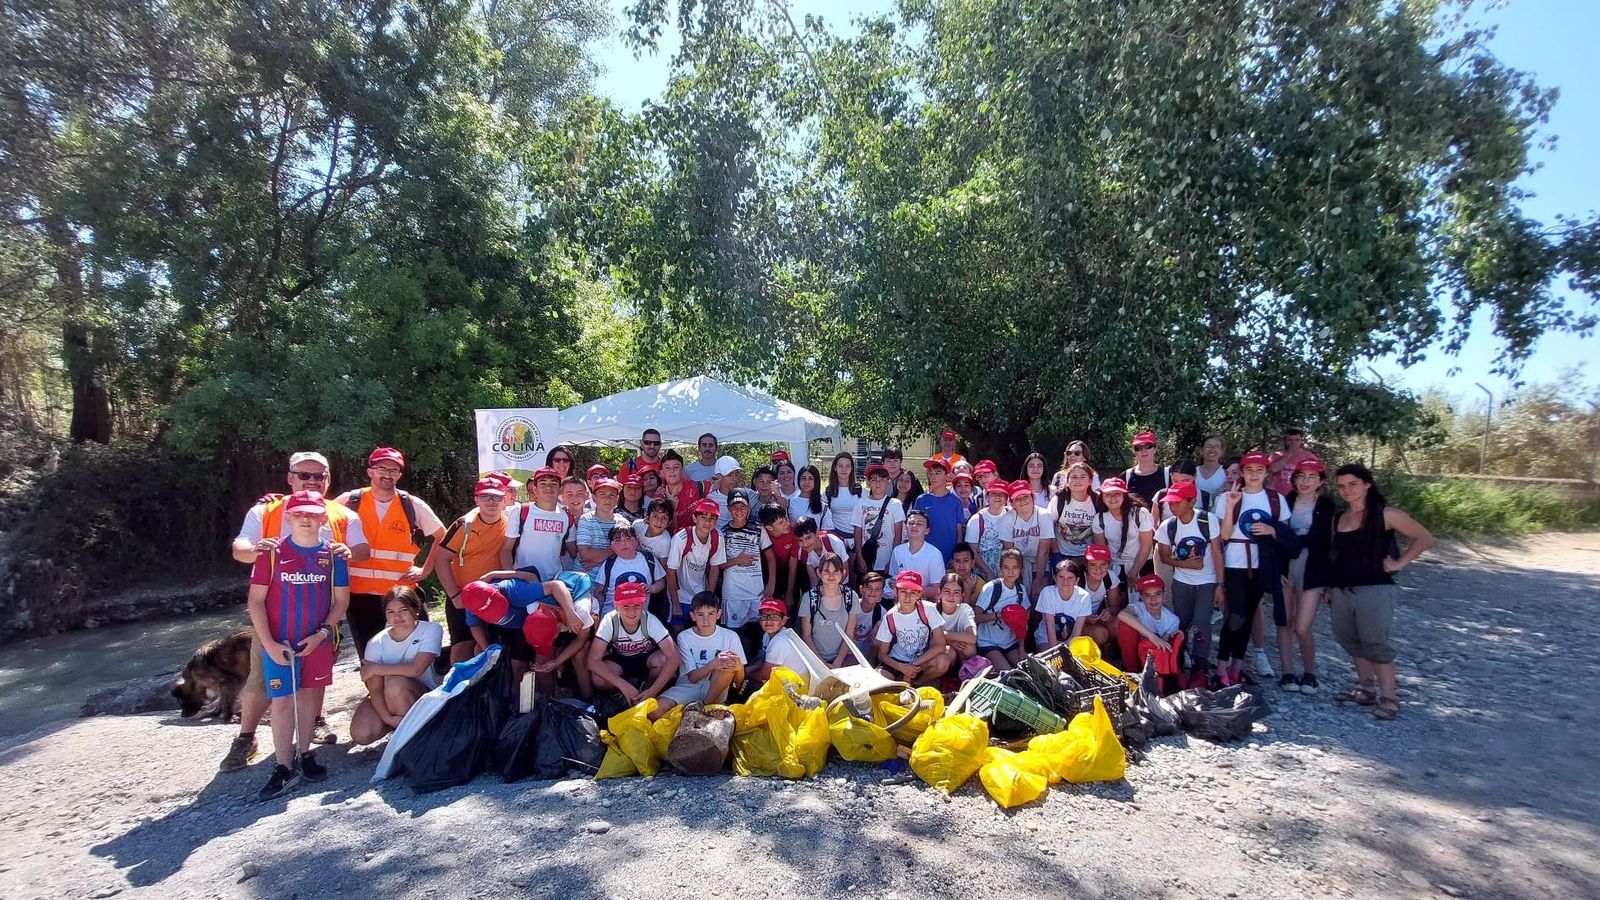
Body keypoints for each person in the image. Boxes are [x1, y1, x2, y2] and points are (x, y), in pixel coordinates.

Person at [223, 451, 367, 770]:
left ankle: (312, 725)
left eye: (319, 476)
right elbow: (239, 548)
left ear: (328, 480)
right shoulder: (267, 509)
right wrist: (257, 550)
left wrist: (348, 552)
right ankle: (246, 737)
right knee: (263, 677)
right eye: (305, 475)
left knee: (314, 679)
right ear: (290, 477)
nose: (312, 482)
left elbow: (362, 549)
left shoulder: (341, 514)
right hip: (277, 609)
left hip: (322, 608)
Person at [245, 490, 349, 801]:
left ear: (323, 518)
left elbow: (341, 601)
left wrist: (322, 633)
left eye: (313, 514)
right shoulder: (271, 553)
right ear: (288, 517)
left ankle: (305, 754)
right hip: (279, 643)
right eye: (299, 514)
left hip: (317, 640)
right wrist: (269, 644)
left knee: (310, 697)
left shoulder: (334, 555)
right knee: (281, 701)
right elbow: (256, 601)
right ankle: (282, 766)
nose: (306, 519)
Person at [1327, 463, 1433, 720]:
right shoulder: (1339, 518)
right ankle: (1366, 689)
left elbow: (1425, 538)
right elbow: (1335, 555)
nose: (1347, 490)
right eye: (1341, 486)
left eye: (1353, 484)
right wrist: (1330, 586)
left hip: (1374, 588)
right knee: (1352, 642)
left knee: (1375, 643)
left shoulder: (1385, 514)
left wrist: (1399, 563)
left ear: (1367, 484)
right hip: (1342, 589)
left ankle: (1390, 698)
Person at [334, 447, 446, 659]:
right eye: (381, 468)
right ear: (370, 471)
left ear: (400, 475)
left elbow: (444, 537)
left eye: (393, 470)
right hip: (359, 593)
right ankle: (376, 692)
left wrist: (425, 570)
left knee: (417, 649)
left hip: (401, 591)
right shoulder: (349, 501)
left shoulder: (410, 504)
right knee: (369, 653)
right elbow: (313, 514)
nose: (387, 474)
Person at [1215, 451, 1295, 686]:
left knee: (1249, 614)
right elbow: (1226, 535)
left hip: (1263, 562)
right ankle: (1221, 667)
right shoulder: (1229, 498)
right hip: (1235, 562)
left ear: (1266, 473)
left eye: (1259, 470)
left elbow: (1285, 535)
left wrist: (1272, 531)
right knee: (1236, 614)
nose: (1254, 475)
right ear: (1242, 472)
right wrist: (1230, 505)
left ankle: (1237, 667)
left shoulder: (1275, 500)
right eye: (1249, 470)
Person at [433, 477, 514, 664]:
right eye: (485, 497)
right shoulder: (463, 525)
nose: (491, 502)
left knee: (492, 644)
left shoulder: (510, 524)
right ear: (476, 499)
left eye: (496, 497)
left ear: (504, 501)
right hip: (463, 594)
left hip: (496, 595)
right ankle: (457, 690)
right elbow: (441, 559)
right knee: (462, 647)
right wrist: (454, 596)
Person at [1154, 480, 1225, 687]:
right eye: (1170, 503)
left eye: (1177, 502)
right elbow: (1164, 556)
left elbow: (1217, 553)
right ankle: (1178, 660)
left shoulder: (1207, 520)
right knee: (1181, 622)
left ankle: (1200, 665)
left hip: (1207, 581)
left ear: (1192, 501)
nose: (1172, 507)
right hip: (1181, 581)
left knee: (1202, 622)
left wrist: (1220, 584)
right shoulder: (1169, 526)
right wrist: (1184, 564)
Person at [350, 586, 441, 746]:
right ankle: (400, 725)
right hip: (386, 696)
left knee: (394, 683)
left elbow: (416, 669)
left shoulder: (431, 630)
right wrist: (387, 718)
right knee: (361, 734)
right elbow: (375, 687)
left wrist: (376, 669)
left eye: (403, 610)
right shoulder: (376, 642)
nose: (397, 617)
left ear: (416, 609)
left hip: (422, 692)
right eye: (391, 612)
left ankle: (414, 738)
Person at [1279, 457, 1335, 693]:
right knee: (1284, 621)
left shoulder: (1327, 506)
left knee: (1303, 625)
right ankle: (1287, 672)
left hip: (1313, 568)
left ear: (1321, 481)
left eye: (1312, 477)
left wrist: (1331, 582)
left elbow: (1327, 541)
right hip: (1286, 567)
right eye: (1301, 476)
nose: (1305, 481)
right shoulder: (1285, 501)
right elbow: (1278, 537)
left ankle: (1310, 672)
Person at [586, 581, 678, 708]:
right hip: (619, 661)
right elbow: (592, 661)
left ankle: (646, 689)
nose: (631, 612)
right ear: (616, 606)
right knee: (598, 678)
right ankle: (621, 694)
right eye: (626, 607)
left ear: (643, 605)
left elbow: (674, 656)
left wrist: (653, 691)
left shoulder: (650, 620)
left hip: (646, 660)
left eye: (636, 606)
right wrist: (622, 684)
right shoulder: (609, 621)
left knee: (663, 660)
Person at [658, 592, 746, 716]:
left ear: (719, 614)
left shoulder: (731, 636)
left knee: (725, 665)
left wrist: (739, 668)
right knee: (655, 711)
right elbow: (693, 678)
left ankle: (702, 709)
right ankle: (700, 711)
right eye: (700, 614)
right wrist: (714, 663)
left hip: (716, 689)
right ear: (693, 616)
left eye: (711, 613)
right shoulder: (684, 637)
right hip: (688, 687)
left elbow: (738, 684)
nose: (706, 620)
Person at [873, 571, 953, 687]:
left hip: (921, 660)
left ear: (919, 594)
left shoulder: (928, 609)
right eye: (903, 591)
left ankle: (916, 684)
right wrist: (903, 668)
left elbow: (940, 645)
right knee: (879, 678)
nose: (907, 597)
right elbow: (882, 655)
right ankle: (900, 683)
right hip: (896, 661)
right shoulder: (890, 617)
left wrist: (913, 665)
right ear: (896, 592)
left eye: (913, 592)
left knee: (943, 661)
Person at [1117, 574, 1186, 695]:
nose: (1153, 600)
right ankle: (1131, 672)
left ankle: (1161, 684)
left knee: (1175, 639)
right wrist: (1151, 636)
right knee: (1125, 626)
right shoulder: (1137, 608)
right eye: (1147, 595)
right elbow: (1121, 615)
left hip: (1153, 661)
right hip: (1135, 656)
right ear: (1141, 597)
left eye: (1157, 594)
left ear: (1164, 595)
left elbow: (1165, 644)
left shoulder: (1172, 619)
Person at [719, 493, 773, 640]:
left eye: (742, 506)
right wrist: (738, 560)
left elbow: (770, 556)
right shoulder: (723, 533)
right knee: (734, 633)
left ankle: (758, 660)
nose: (738, 510)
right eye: (734, 507)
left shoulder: (758, 528)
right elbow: (719, 565)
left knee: (760, 630)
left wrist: (771, 583)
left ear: (748, 508)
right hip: (733, 593)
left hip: (757, 591)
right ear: (729, 509)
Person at [798, 553, 865, 667]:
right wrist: (821, 663)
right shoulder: (809, 598)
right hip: (814, 657)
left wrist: (838, 661)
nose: (831, 576)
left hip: (842, 657)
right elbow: (806, 635)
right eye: (826, 571)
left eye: (836, 571)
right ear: (819, 573)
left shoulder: (851, 597)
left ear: (843, 573)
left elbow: (849, 634)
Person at [667, 499, 726, 627]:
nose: (707, 522)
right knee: (678, 629)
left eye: (712, 518)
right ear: (694, 518)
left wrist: (710, 596)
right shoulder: (681, 538)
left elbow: (715, 568)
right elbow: (671, 571)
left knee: (704, 628)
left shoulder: (718, 537)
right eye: (703, 517)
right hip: (680, 594)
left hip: (701, 592)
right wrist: (675, 604)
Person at [505, 466, 568, 581]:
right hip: (523, 581)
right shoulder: (521, 511)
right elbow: (505, 550)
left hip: (555, 581)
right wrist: (511, 579)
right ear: (534, 490)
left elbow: (572, 550)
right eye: (543, 483)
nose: (548, 487)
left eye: (553, 484)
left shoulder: (566, 516)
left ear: (560, 490)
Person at [1091, 477, 1153, 586]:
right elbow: (1102, 549)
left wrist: (1134, 572)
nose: (1113, 498)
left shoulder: (1140, 514)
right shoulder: (1099, 519)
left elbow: (1146, 546)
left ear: (1124, 495)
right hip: (1115, 566)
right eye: (1108, 495)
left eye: (1117, 494)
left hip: (1142, 564)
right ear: (1102, 497)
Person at [595, 523, 667, 617]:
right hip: (612, 616)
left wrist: (652, 588)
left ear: (637, 541)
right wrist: (599, 615)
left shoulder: (649, 560)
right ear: (611, 546)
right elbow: (599, 591)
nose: (623, 543)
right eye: (617, 540)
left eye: (628, 539)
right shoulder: (609, 564)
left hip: (641, 616)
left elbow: (661, 581)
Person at [972, 549, 1027, 670]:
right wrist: (998, 615)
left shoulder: (1021, 590)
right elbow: (975, 617)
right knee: (1008, 673)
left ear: (1020, 569)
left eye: (1015, 568)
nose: (1011, 572)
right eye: (1006, 567)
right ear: (1000, 569)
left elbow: (1023, 624)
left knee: (1027, 669)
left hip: (1010, 642)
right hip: (988, 642)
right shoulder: (991, 588)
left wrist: (1022, 649)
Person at [1002, 481, 1054, 599]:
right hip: (1019, 561)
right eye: (1017, 498)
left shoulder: (1044, 515)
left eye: (1026, 496)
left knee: (1040, 592)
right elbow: (1009, 553)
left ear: (1033, 497)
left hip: (1039, 559)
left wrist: (1038, 580)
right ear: (1012, 503)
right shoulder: (1007, 519)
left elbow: (1044, 551)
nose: (1023, 501)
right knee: (1018, 593)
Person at [1034, 558, 1095, 652]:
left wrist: (1070, 652)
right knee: (1052, 662)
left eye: (1070, 578)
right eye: (1061, 577)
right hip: (1046, 639)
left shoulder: (1084, 596)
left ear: (1077, 580)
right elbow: (1049, 626)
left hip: (1069, 641)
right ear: (1055, 578)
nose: (1065, 581)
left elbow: (1077, 631)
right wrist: (1055, 652)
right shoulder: (1047, 593)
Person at [887, 509, 946, 601]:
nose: (914, 526)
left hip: (924, 603)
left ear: (927, 530)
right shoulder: (897, 551)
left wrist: (909, 588)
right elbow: (893, 580)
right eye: (911, 523)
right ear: (905, 527)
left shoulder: (934, 554)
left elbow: (937, 589)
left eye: (919, 524)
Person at [913, 458, 964, 562]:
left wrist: (956, 557)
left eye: (938, 473)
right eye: (930, 473)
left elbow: (959, 532)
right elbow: (915, 528)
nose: (933, 476)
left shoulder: (956, 501)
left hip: (949, 556)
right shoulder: (922, 500)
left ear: (947, 476)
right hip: (925, 555)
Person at [751, 597, 812, 685]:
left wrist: (744, 675)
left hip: (798, 684)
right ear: (760, 620)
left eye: (774, 617)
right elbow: (763, 661)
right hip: (789, 680)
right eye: (764, 616)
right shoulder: (767, 635)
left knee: (746, 683)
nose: (768, 621)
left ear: (783, 620)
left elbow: (764, 676)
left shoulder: (780, 642)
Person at [857, 464, 905, 575]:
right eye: (874, 480)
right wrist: (859, 557)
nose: (878, 483)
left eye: (882, 480)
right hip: (867, 558)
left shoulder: (895, 504)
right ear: (868, 482)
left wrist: (892, 561)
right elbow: (857, 531)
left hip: (887, 559)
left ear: (888, 482)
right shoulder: (861, 503)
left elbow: (898, 536)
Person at [574, 478, 629, 574]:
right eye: (602, 494)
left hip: (611, 578)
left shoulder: (624, 523)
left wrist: (598, 558)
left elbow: (628, 552)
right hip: (584, 578)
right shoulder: (586, 519)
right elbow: (586, 555)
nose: (607, 499)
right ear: (594, 498)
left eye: (611, 495)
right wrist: (617, 550)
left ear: (617, 499)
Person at [1051, 462, 1101, 562]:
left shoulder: (1097, 500)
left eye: (1082, 477)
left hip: (1088, 555)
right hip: (1062, 553)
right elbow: (1048, 528)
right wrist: (1056, 553)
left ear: (1090, 481)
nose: (1078, 481)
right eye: (1073, 477)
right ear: (1067, 481)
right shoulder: (1059, 499)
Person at [965, 477, 1012, 580]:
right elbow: (972, 551)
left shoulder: (1011, 514)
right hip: (983, 570)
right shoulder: (977, 519)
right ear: (987, 497)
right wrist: (988, 572)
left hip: (1008, 570)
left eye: (1002, 494)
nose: (998, 497)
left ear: (1007, 498)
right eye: (994, 494)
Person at [823, 451, 865, 562]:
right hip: (837, 537)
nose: (844, 469)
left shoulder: (860, 491)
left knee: (853, 575)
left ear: (851, 469)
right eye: (840, 466)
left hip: (858, 538)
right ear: (835, 468)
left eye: (847, 466)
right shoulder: (828, 491)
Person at [758, 502, 801, 607]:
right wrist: (770, 582)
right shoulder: (761, 533)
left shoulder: (793, 533)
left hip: (787, 570)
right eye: (781, 522)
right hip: (766, 571)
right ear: (769, 527)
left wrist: (789, 593)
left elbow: (793, 566)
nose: (787, 524)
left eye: (786, 519)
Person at [794, 515, 850, 595]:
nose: (805, 544)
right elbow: (814, 581)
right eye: (800, 540)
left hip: (841, 582)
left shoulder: (835, 543)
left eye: (808, 538)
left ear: (817, 533)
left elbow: (845, 570)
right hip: (824, 584)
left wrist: (833, 590)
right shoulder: (803, 553)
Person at [934, 572, 978, 663]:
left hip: (959, 654)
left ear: (962, 596)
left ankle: (964, 672)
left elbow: (972, 637)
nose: (951, 596)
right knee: (949, 652)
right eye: (947, 591)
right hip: (940, 653)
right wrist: (949, 642)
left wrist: (946, 636)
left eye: (956, 592)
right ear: (939, 593)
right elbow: (930, 640)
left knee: (969, 648)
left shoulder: (965, 609)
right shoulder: (933, 610)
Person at [1122, 431, 1171, 506]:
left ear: (1155, 449)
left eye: (1148, 446)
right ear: (1134, 451)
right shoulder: (1126, 476)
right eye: (1138, 448)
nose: (1143, 451)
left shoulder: (1167, 474)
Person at [658, 450, 703, 532]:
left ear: (682, 471)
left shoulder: (695, 486)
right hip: (674, 540)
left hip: (695, 537)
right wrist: (671, 508)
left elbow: (716, 484)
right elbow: (665, 530)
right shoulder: (660, 496)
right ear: (662, 473)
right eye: (667, 468)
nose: (672, 471)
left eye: (676, 467)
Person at [1267, 428, 1317, 498]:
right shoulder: (1276, 455)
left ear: (1301, 442)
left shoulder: (1309, 457)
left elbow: (1318, 477)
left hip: (1300, 497)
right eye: (1290, 440)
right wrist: (1288, 455)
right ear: (1285, 441)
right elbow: (1273, 469)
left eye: (1297, 440)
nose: (1293, 443)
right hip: (1277, 496)